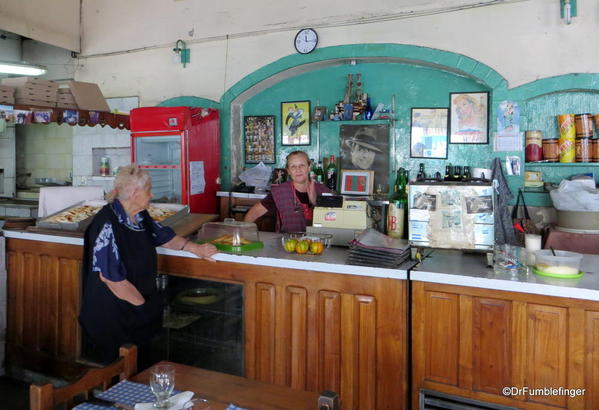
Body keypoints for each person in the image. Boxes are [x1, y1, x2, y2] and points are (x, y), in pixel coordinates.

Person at [79, 165, 218, 368]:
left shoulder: (140, 216)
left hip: (137, 309)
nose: (152, 194)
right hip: (114, 315)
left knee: (141, 368)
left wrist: (195, 248)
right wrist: (143, 308)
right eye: (149, 190)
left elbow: (164, 237)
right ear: (135, 193)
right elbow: (113, 279)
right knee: (119, 372)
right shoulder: (107, 224)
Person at [244, 151, 330, 232]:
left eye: (302, 165)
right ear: (288, 171)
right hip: (288, 243)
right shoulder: (279, 192)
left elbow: (333, 217)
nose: (298, 169)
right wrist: (244, 232)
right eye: (293, 166)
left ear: (309, 167)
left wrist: (316, 203)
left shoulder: (323, 190)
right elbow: (256, 211)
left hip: (318, 244)